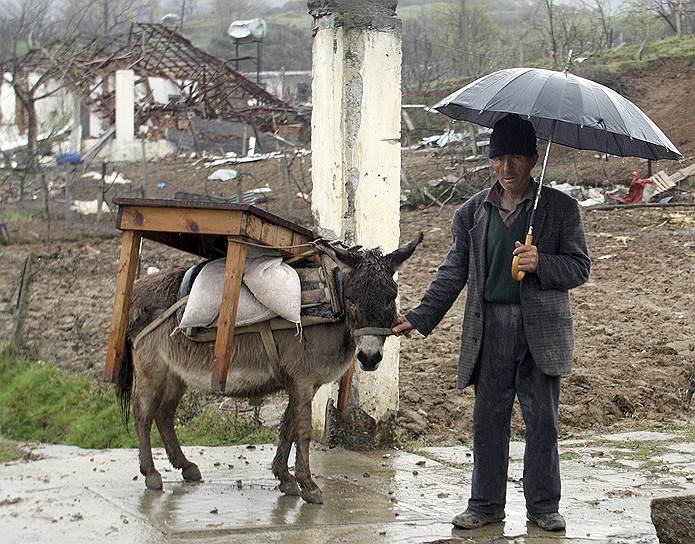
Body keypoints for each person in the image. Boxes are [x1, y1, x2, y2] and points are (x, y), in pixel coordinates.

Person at [393, 113, 591, 532]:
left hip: (540, 331)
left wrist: (543, 263)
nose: (507, 168)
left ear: (533, 159)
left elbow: (579, 268)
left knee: (542, 423)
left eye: (516, 157)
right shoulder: (470, 213)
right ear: (490, 160)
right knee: (488, 421)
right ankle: (484, 504)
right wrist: (420, 316)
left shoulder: (559, 209)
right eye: (499, 158)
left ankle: (543, 507)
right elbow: (453, 272)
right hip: (491, 328)